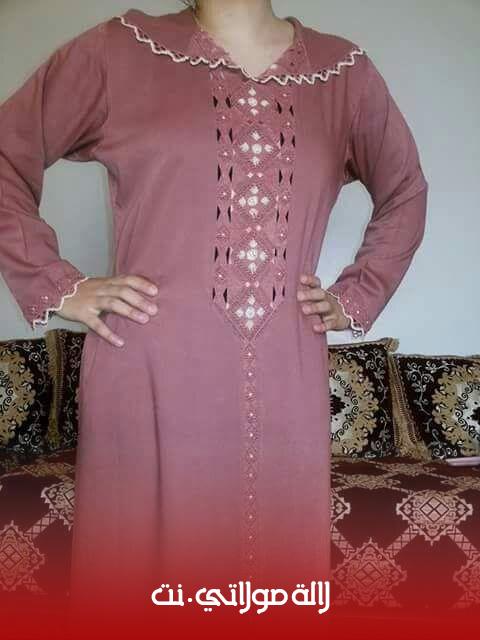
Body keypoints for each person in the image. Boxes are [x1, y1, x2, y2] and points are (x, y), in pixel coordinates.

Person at [0, 0, 428, 631]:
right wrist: (58, 284)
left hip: (284, 375)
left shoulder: (343, 74)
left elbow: (406, 190)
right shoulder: (119, 51)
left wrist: (357, 295)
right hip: (148, 369)